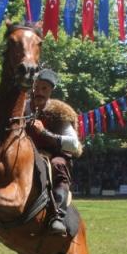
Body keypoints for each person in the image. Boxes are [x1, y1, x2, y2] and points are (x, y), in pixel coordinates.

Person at [25, 69, 83, 236]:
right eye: (37, 87)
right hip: (27, 155)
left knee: (58, 164)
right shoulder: (22, 109)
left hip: (54, 157)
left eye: (44, 88)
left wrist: (45, 133)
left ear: (51, 91)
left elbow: (74, 145)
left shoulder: (60, 112)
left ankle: (58, 216)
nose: (39, 92)